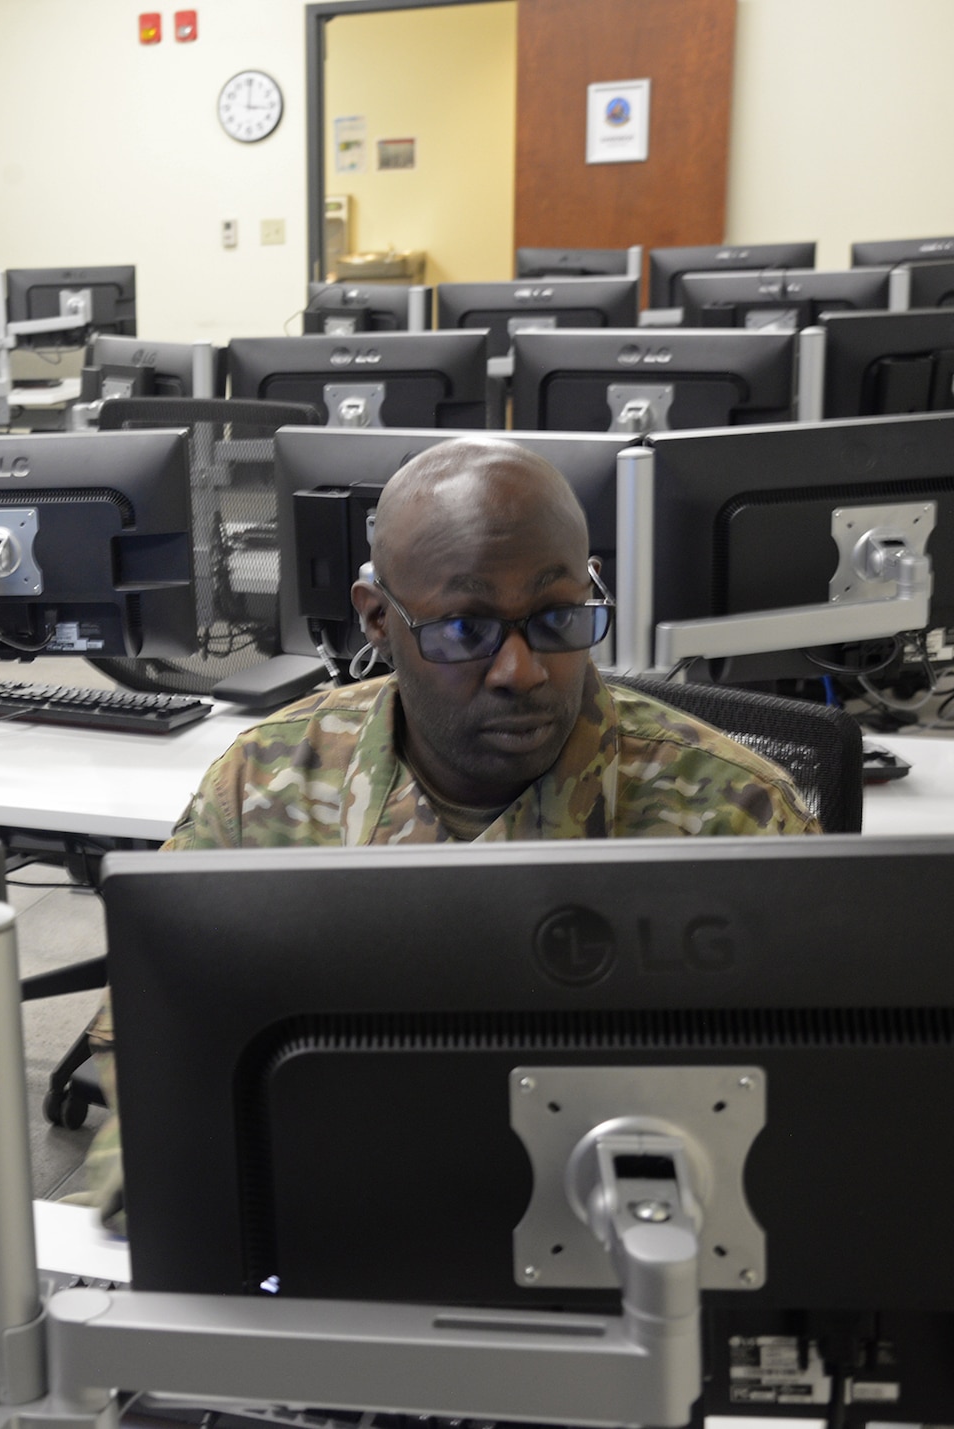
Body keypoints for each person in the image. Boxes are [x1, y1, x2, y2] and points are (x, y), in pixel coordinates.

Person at [76, 436, 817, 1219]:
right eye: (465, 628)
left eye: (559, 616)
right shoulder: (268, 781)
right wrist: (176, 1172)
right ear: (376, 621)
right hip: (334, 1222)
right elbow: (147, 1025)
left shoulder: (733, 814)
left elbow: (823, 1093)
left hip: (629, 1236)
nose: (520, 670)